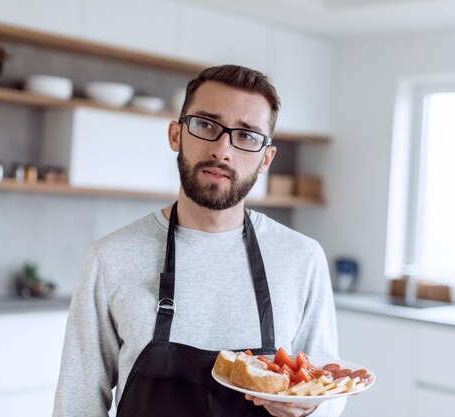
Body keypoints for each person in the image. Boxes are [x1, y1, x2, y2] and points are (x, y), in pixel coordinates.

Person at [53, 64, 345, 417]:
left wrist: (308, 408)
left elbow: (329, 387)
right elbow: (77, 403)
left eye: (247, 135)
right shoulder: (111, 257)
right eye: (206, 125)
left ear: (266, 159)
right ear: (176, 134)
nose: (222, 150)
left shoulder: (302, 258)